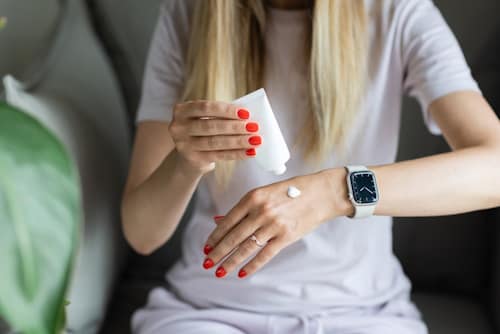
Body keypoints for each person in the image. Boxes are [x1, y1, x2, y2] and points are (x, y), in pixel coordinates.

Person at [121, 0, 500, 333]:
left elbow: (494, 169)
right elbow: (143, 233)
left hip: (363, 313)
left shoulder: (398, 13)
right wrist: (186, 161)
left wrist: (336, 192)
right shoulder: (188, 15)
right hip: (209, 312)